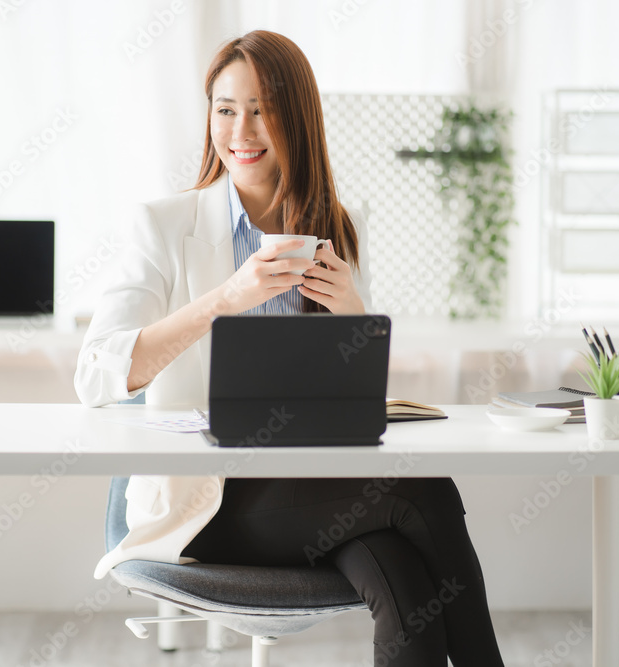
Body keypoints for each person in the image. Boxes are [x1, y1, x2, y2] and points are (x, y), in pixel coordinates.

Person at [75, 29, 504, 667]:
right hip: (206, 500)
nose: (241, 130)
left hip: (313, 491)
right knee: (423, 493)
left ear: (296, 119)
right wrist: (224, 299)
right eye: (226, 109)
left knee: (404, 577)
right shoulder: (165, 226)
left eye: (262, 109)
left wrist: (353, 315)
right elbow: (96, 374)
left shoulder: (335, 228)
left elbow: (351, 403)